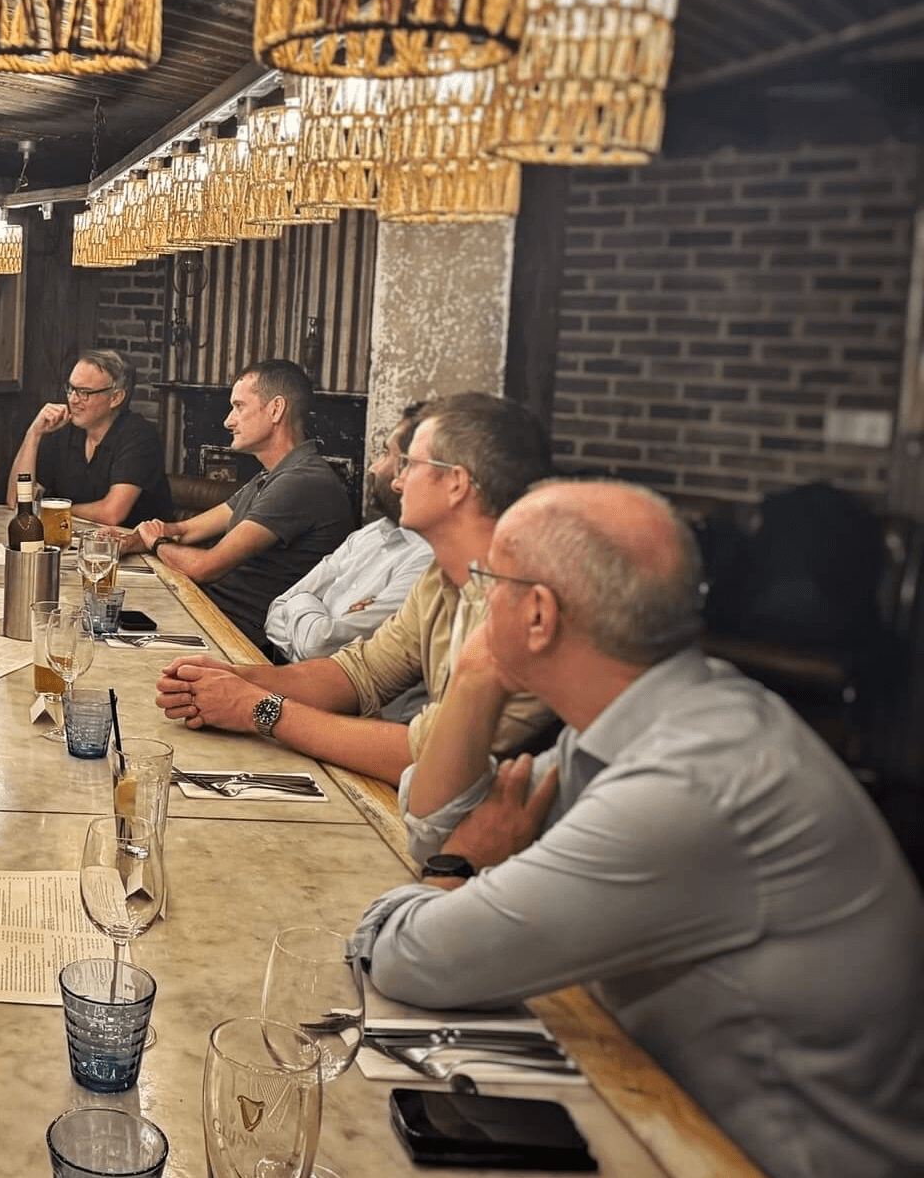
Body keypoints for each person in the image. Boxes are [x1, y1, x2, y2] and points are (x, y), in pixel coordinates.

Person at [350, 480, 924, 1178]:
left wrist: (459, 865)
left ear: (539, 615)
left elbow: (406, 956)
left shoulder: (687, 785)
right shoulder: (656, 715)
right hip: (671, 1120)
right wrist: (476, 680)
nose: (479, 596)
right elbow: (434, 823)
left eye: (490, 581)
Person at [154, 392, 555, 785]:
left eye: (410, 464)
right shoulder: (442, 576)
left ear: (456, 483)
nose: (396, 481)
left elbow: (433, 756)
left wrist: (258, 708)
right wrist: (235, 678)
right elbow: (359, 674)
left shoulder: (521, 605)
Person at [121, 359, 352, 648]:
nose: (228, 421)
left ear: (276, 409)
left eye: (239, 407)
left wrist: (155, 542)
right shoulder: (271, 475)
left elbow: (206, 567)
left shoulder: (302, 481)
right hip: (208, 608)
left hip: (239, 635)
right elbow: (184, 530)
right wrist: (129, 542)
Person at [262, 401, 433, 686]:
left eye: (387, 454)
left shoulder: (427, 561)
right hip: (289, 681)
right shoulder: (373, 533)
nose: (374, 468)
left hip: (318, 697)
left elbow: (320, 648)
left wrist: (301, 604)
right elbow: (276, 610)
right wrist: (317, 619)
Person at [5, 349, 173, 526]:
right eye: (71, 388)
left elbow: (111, 514)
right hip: (71, 538)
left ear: (115, 398)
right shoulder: (63, 428)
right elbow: (16, 502)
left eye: (84, 392)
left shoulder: (140, 435)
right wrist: (34, 434)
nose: (73, 399)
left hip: (132, 542)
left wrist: (49, 511)